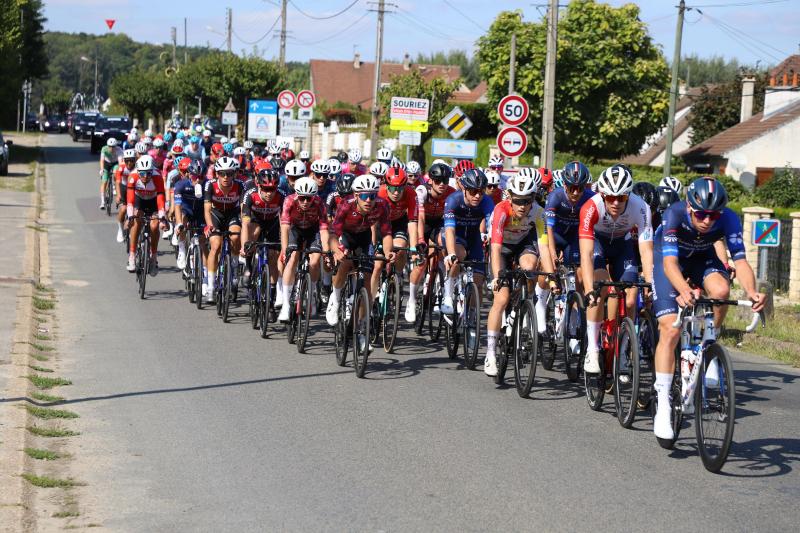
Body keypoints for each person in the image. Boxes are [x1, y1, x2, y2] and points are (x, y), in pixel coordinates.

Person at [651, 177, 764, 440]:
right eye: (701, 214)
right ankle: (664, 403)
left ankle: (706, 343)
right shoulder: (673, 214)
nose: (707, 220)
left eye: (713, 215)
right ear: (689, 207)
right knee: (669, 328)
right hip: (670, 259)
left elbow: (741, 261)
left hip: (703, 258)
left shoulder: (729, 219)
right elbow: (669, 265)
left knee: (722, 292)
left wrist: (751, 291)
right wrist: (683, 290)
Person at [579, 165, 654, 374]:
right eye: (610, 197)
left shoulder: (641, 208)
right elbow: (585, 254)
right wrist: (588, 290)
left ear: (628, 196)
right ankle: (592, 350)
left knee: (631, 294)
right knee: (599, 287)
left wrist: (650, 285)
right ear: (602, 194)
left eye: (620, 198)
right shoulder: (591, 207)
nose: (614, 203)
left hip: (623, 246)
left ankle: (625, 346)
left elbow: (646, 251)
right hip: (598, 244)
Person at [325, 174, 395, 326]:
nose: (369, 200)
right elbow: (333, 233)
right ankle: (335, 299)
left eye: (372, 195)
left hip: (364, 237)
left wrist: (389, 252)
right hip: (346, 235)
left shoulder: (382, 205)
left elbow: (387, 233)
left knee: (367, 279)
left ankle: (362, 325)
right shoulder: (346, 204)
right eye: (364, 196)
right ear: (356, 195)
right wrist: (336, 250)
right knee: (344, 262)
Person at [405, 162, 456, 323]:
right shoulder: (422, 191)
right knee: (421, 264)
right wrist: (420, 240)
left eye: (445, 181)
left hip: (439, 224)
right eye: (438, 181)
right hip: (423, 224)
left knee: (445, 245)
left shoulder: (451, 193)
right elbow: (419, 217)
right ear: (430, 181)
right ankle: (411, 300)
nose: (442, 184)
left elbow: (453, 222)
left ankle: (442, 277)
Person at [441, 168, 494, 314]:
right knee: (458, 256)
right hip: (456, 237)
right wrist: (450, 253)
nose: (477, 196)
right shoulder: (453, 200)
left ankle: (471, 317)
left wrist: (490, 235)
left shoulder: (487, 202)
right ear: (464, 189)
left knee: (478, 281)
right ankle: (448, 295)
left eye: (481, 192)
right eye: (473, 192)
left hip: (474, 238)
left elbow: (492, 225)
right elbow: (450, 230)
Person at [278, 177, 329, 321]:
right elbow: (285, 227)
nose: (305, 202)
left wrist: (325, 252)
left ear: (314, 196)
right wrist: (284, 249)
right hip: (295, 229)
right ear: (297, 195)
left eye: (309, 198)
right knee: (292, 257)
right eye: (302, 198)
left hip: (313, 231)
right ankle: (286, 305)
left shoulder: (319, 203)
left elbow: (324, 229)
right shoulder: (289, 201)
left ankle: (312, 293)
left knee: (315, 260)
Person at [241, 166, 283, 317]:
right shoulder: (250, 195)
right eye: (265, 189)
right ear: (258, 185)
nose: (269, 193)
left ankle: (270, 301)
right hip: (255, 222)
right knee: (254, 232)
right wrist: (245, 245)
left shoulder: (281, 196)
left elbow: (285, 223)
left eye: (272, 189)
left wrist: (284, 247)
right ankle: (248, 266)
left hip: (272, 224)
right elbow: (245, 223)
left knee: (273, 257)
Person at [203, 156, 245, 303]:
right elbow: (207, 210)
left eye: (229, 173)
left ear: (234, 174)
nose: (225, 177)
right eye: (222, 173)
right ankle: (210, 286)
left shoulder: (240, 185)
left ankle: (234, 267)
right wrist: (209, 226)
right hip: (216, 215)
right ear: (216, 174)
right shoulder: (210, 185)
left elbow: (242, 210)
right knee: (215, 244)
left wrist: (244, 227)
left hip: (232, 214)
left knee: (235, 236)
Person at [545, 161, 594, 267]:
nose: (576, 193)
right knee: (547, 268)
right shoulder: (556, 196)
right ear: (564, 184)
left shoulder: (591, 197)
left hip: (574, 238)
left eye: (580, 188)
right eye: (572, 188)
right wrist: (553, 253)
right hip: (555, 235)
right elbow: (549, 227)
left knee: (575, 271)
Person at [125, 155, 166, 274]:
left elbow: (161, 198)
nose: (145, 177)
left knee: (154, 226)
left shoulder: (157, 177)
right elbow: (130, 201)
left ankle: (153, 257)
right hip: (139, 200)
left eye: (148, 173)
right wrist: (130, 216)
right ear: (138, 172)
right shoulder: (132, 177)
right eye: (142, 174)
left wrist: (162, 217)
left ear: (152, 171)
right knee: (136, 222)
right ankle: (132, 256)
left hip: (154, 201)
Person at [173, 159, 207, 271]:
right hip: (186, 211)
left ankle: (204, 273)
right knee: (183, 220)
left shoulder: (208, 185)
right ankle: (182, 249)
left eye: (201, 177)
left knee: (202, 241)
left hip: (200, 213)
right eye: (194, 177)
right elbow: (177, 205)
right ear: (189, 174)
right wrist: (178, 224)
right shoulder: (181, 185)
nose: (197, 180)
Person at [113, 149, 137, 242]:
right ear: (124, 160)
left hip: (134, 188)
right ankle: (120, 229)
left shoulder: (138, 168)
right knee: (123, 209)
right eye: (127, 160)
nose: (129, 163)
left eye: (131, 160)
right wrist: (118, 195)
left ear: (135, 160)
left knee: (136, 211)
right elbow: (118, 182)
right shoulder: (121, 167)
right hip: (124, 188)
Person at [99, 138, 122, 210]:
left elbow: (120, 162)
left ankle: (115, 186)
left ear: (116, 146)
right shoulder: (104, 149)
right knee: (104, 181)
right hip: (106, 163)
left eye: (113, 146)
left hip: (115, 163)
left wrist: (120, 171)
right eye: (110, 146)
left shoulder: (119, 150)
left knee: (116, 172)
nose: (111, 148)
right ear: (107, 146)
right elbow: (102, 160)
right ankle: (102, 202)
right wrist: (102, 169)